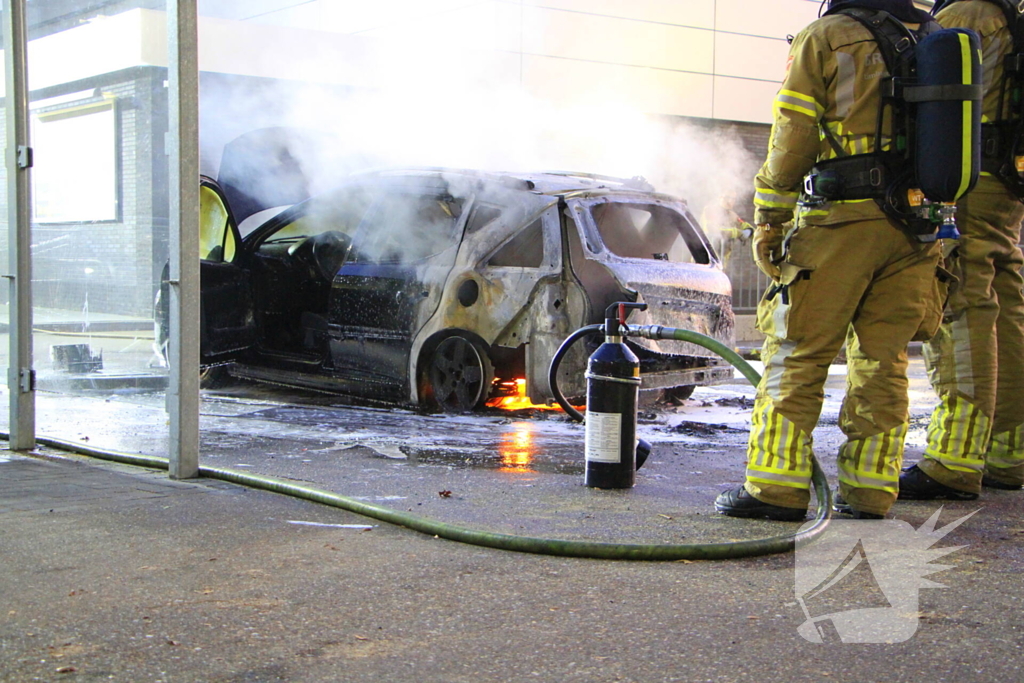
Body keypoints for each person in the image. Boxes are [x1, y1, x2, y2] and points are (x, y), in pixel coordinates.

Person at [715, 0, 951, 521]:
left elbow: (793, 133)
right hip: (915, 230)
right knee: (883, 363)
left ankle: (775, 489)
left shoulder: (828, 35)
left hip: (840, 222)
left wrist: (770, 217)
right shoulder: (935, 38)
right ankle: (870, 491)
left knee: (798, 351)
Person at [900, 0, 1024, 497]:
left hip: (966, 183)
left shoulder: (967, 14)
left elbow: (932, 100)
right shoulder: (1008, 14)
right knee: (1006, 311)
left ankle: (955, 460)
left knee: (962, 307)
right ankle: (1007, 453)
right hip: (1004, 183)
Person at [700, 194, 754, 267]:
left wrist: (750, 230)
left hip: (721, 260)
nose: (730, 201)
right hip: (705, 257)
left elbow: (743, 224)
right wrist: (737, 233)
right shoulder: (710, 210)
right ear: (720, 197)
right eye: (727, 197)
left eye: (733, 198)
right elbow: (712, 229)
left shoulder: (732, 215)